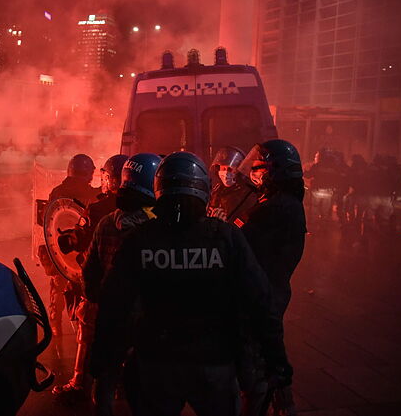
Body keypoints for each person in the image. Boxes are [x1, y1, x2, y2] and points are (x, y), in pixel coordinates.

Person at [90, 152, 291, 416]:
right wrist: (276, 361)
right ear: (204, 190)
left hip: (156, 364)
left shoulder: (140, 240)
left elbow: (112, 306)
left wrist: (101, 363)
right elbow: (261, 302)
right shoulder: (226, 237)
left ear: (159, 189)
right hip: (214, 364)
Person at [52, 153, 158, 406]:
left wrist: (90, 296)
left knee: (89, 337)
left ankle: (79, 382)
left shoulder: (101, 211)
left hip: (106, 296)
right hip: (145, 302)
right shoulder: (160, 218)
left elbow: (89, 258)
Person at [239, 139, 306, 416]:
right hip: (269, 289)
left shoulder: (276, 208)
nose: (255, 174)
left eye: (260, 169)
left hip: (264, 291)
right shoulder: (278, 202)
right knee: (268, 348)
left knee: (258, 359)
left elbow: (243, 244)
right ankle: (284, 402)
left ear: (276, 171)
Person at [40, 153, 101, 356]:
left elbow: (49, 218)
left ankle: (55, 325)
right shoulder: (91, 194)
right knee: (79, 292)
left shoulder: (57, 191)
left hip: (60, 250)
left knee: (57, 288)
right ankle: (79, 333)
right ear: (88, 173)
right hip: (79, 252)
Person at [207, 146, 258, 226]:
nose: (226, 173)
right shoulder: (217, 190)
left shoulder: (246, 195)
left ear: (238, 171)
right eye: (223, 169)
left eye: (230, 169)